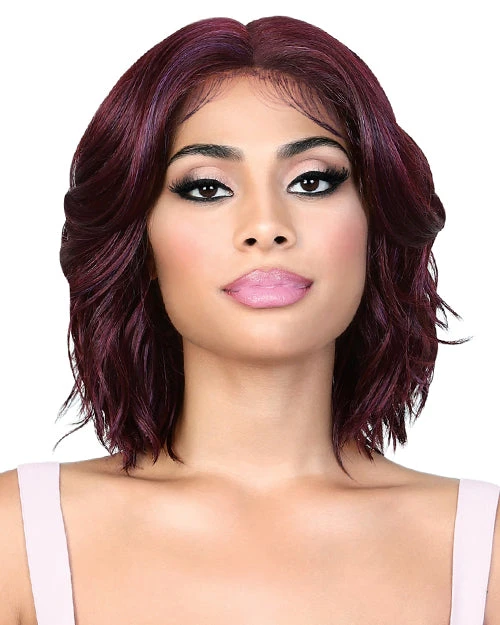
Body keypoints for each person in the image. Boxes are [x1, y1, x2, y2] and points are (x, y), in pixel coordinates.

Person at [1, 15, 498, 625]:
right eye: (207, 188)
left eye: (312, 181)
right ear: (141, 242)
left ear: (374, 224)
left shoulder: (485, 550)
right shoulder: (18, 539)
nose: (266, 225)